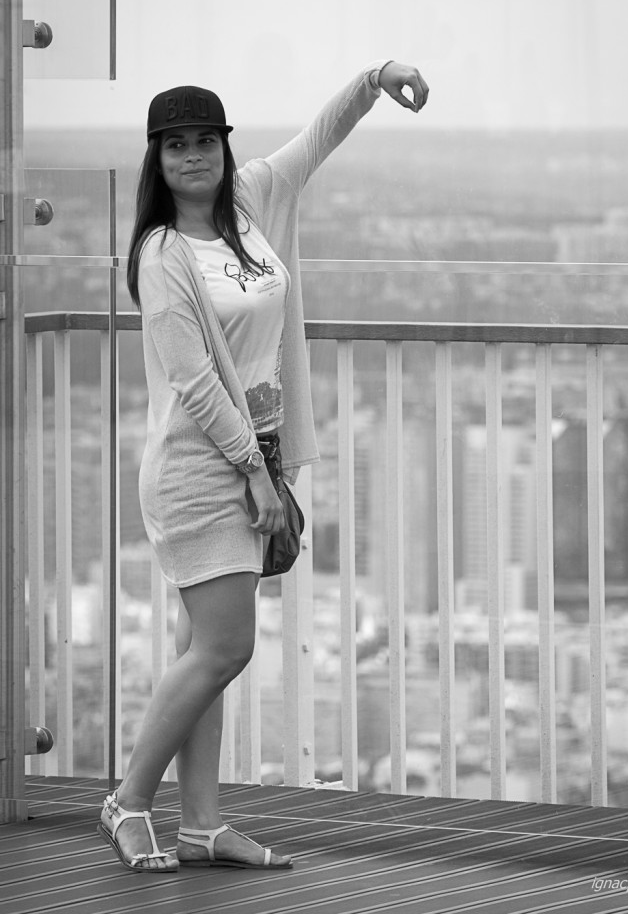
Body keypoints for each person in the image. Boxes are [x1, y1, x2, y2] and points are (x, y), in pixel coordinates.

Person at [97, 60, 429, 873]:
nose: (193, 156)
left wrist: (375, 78)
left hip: (253, 459)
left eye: (204, 140)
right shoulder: (161, 252)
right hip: (198, 469)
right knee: (227, 649)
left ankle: (201, 826)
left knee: (201, 655)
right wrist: (253, 472)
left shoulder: (249, 202)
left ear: (224, 146)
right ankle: (127, 801)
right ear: (156, 159)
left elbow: (318, 139)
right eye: (175, 144)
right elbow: (193, 380)